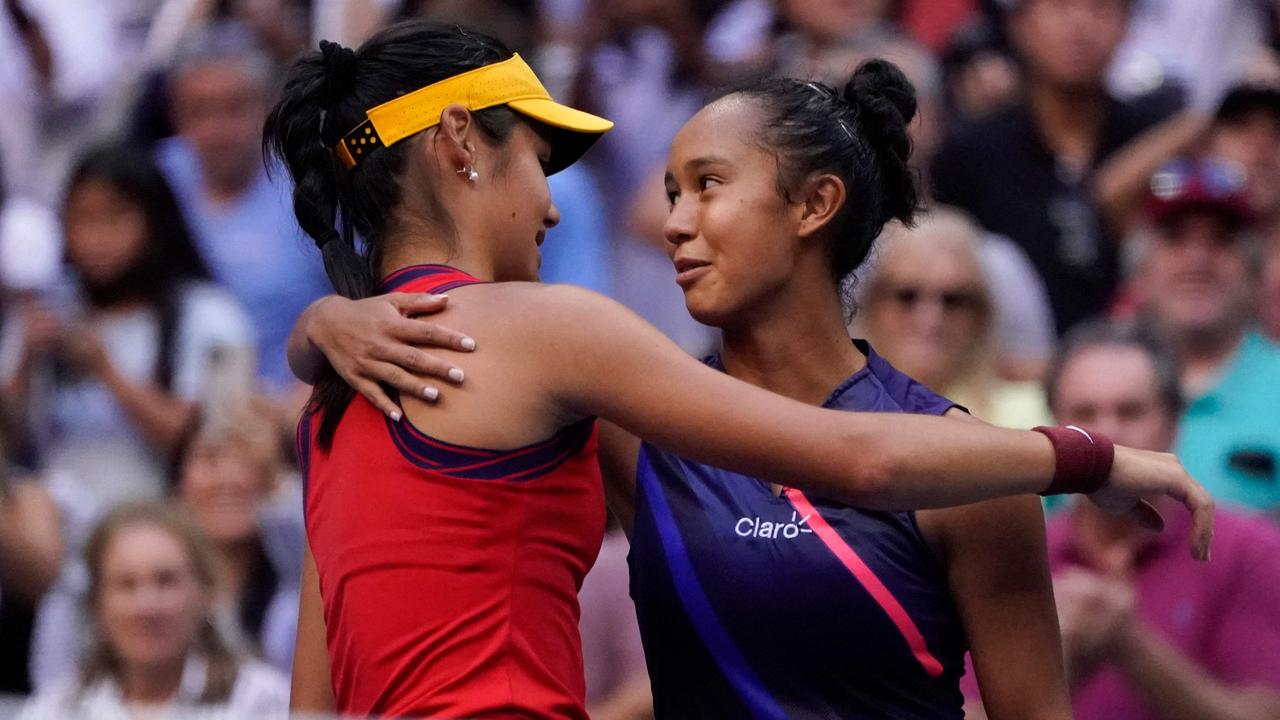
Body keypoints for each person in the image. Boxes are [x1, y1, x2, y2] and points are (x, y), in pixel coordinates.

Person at [268, 23, 1211, 720]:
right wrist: (1091, 459)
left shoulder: (348, 389)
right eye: (540, 163)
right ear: (457, 144)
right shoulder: (569, 366)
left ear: (816, 206)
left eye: (707, 187)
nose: (666, 222)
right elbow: (860, 463)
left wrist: (319, 327)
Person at [966, 321, 1280, 720]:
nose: (1107, 434)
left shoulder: (1249, 551)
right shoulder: (1012, 555)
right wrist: (1068, 652)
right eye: (1084, 414)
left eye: (1131, 412)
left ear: (1175, 423)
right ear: (1051, 430)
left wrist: (1131, 645)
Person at [9, 145, 255, 504]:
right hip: (62, 533)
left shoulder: (206, 313)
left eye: (116, 217)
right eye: (81, 219)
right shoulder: (51, 313)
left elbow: (201, 440)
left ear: (155, 222)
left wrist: (105, 369)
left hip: (166, 528)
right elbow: (13, 441)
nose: (97, 238)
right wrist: (26, 359)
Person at [931, 0, 1182, 333]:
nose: (1080, 25)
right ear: (1020, 24)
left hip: (1141, 357)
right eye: (1060, 6)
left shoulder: (1155, 137)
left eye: (1100, 9)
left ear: (1127, 25)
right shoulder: (970, 152)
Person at [157, 21, 332, 396]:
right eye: (198, 111)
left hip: (294, 411)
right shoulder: (155, 183)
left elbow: (362, 301)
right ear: (175, 114)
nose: (216, 129)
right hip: (173, 413)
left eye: (235, 108)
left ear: (268, 105)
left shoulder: (314, 187)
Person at [19, 502, 289, 719]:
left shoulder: (261, 701)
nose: (146, 607)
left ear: (205, 591)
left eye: (166, 581)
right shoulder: (55, 710)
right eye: (126, 585)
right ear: (97, 602)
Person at [1134, 159, 1280, 510]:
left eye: (1221, 241)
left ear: (1255, 274)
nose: (1197, 261)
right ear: (1138, 272)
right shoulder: (1091, 385)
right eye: (1175, 239)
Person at [857, 209, 1051, 429]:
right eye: (907, 296)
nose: (929, 318)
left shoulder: (1036, 412)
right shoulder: (831, 412)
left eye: (953, 300)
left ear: (981, 315)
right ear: (872, 305)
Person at [172, 400, 303, 673]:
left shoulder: (297, 592)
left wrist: (277, 479)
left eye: (250, 462)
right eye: (210, 457)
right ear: (178, 481)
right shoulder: (151, 591)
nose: (230, 480)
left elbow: (314, 542)